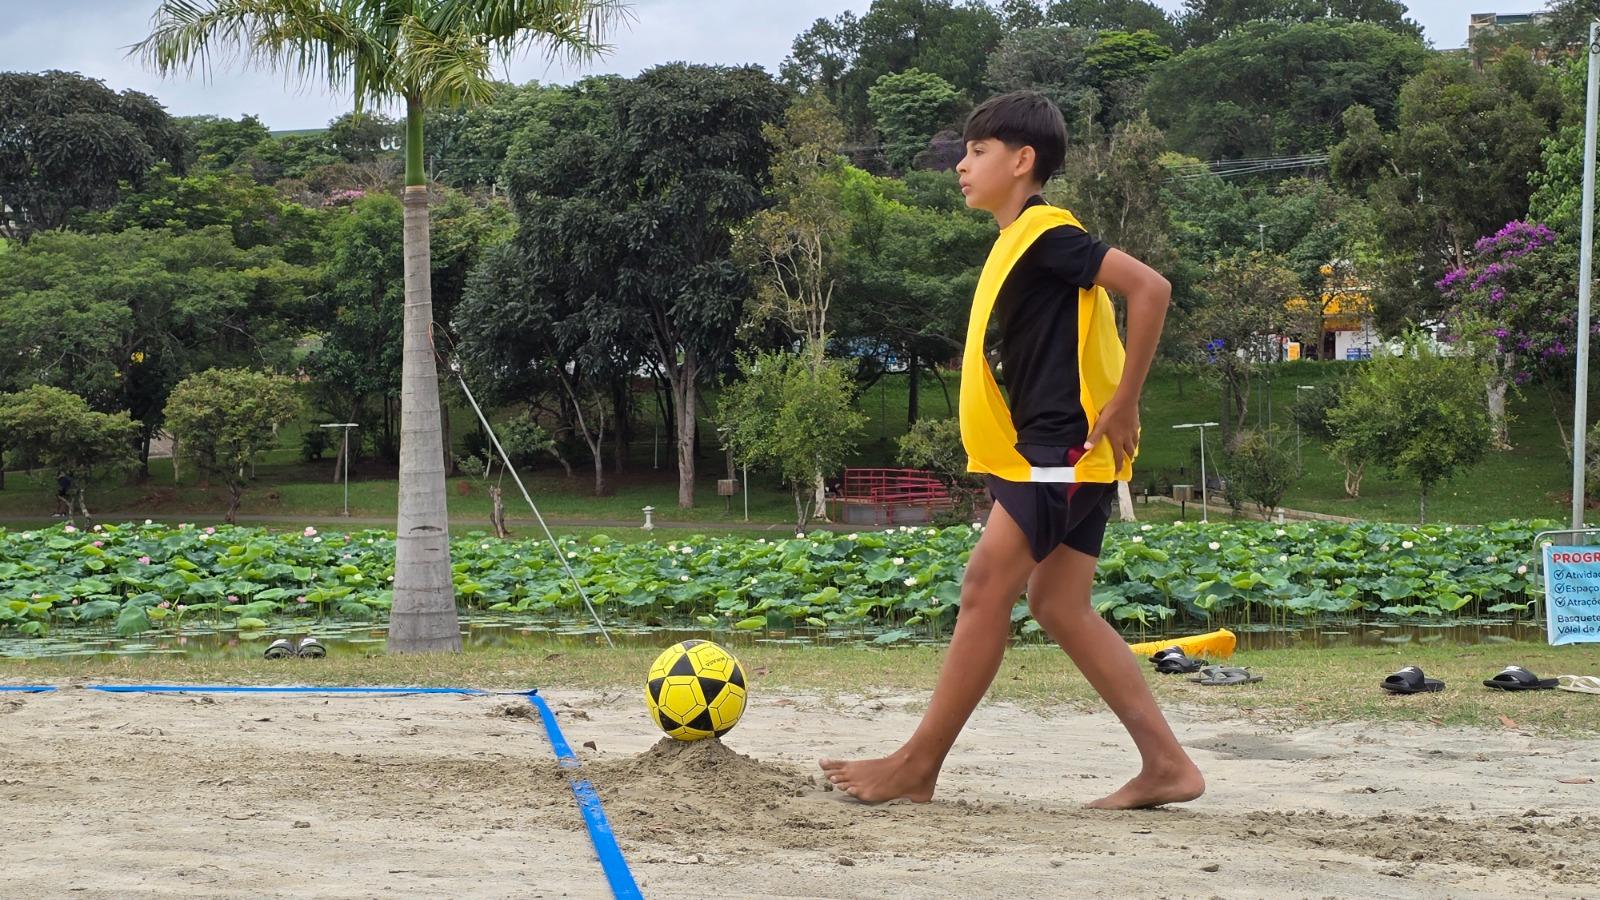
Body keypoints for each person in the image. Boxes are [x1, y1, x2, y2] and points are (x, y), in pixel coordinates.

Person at [820, 91, 1204, 809]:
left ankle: (916, 764)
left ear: (1023, 161)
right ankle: (1166, 766)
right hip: (1059, 454)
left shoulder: (1045, 232)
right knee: (1057, 602)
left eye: (977, 151)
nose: (961, 166)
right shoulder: (1015, 242)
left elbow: (1151, 288)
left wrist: (1124, 400)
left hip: (1060, 452)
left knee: (984, 589)